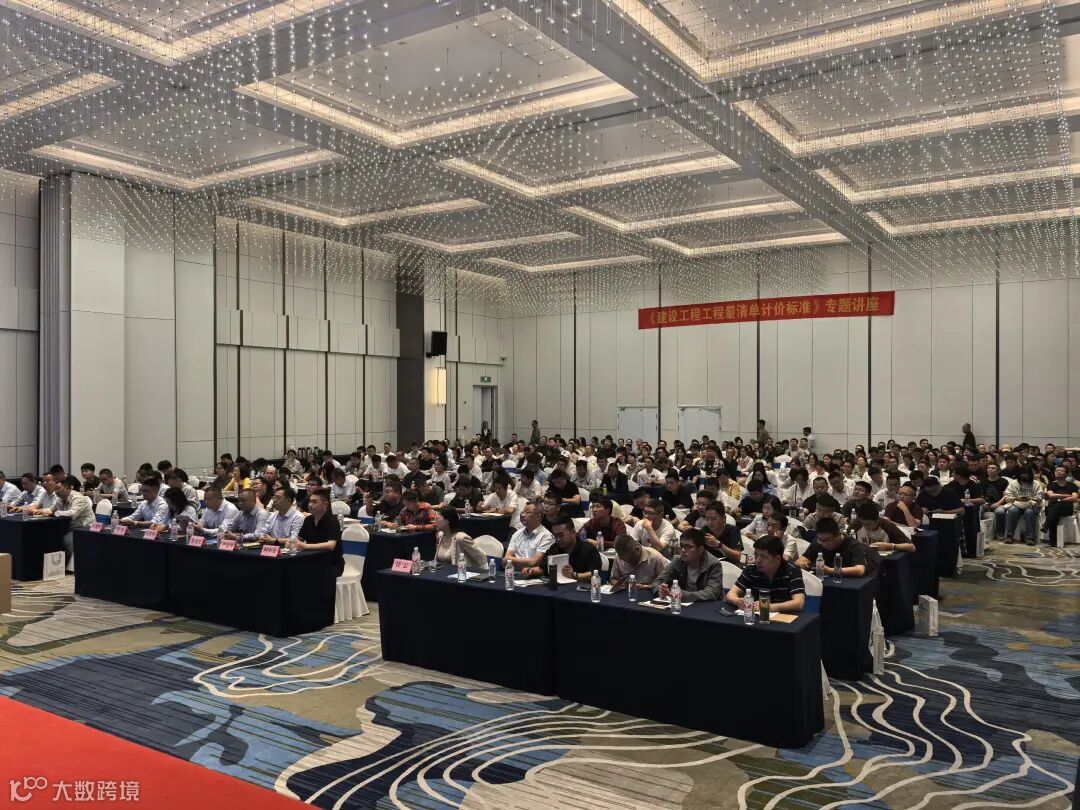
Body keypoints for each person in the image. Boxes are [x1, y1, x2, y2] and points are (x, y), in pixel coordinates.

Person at [726, 536, 805, 614]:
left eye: (763, 557)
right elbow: (730, 594)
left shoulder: (792, 571)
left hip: (786, 618)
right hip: (757, 617)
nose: (758, 560)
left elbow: (799, 603)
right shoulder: (751, 570)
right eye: (756, 555)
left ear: (777, 558)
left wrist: (767, 606)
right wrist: (737, 601)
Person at [653, 528, 726, 603]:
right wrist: (661, 591)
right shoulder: (678, 560)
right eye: (681, 545)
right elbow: (658, 581)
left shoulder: (713, 564)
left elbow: (712, 592)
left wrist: (682, 595)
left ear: (700, 549)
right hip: (683, 605)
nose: (683, 550)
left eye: (688, 547)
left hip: (707, 606)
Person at [524, 514, 601, 583]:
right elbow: (544, 569)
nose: (557, 539)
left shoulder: (588, 549)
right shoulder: (554, 548)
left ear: (573, 532)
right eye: (555, 535)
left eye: (561, 535)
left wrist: (575, 575)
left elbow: (595, 574)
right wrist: (532, 571)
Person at [42, 476, 94, 567]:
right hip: (69, 525)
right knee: (50, 535)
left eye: (58, 489)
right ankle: (56, 565)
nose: (55, 492)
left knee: (67, 539)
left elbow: (72, 514)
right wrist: (39, 511)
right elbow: (51, 509)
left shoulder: (78, 498)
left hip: (84, 526)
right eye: (55, 489)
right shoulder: (60, 498)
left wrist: (55, 513)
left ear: (66, 487)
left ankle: (78, 564)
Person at [796, 517, 867, 577]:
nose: (824, 544)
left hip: (847, 582)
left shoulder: (853, 544)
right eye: (820, 540)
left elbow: (860, 570)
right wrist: (802, 564)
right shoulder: (818, 542)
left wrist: (830, 570)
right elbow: (798, 561)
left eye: (828, 540)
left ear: (838, 534)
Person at [297, 488, 344, 575]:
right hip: (311, 559)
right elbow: (299, 539)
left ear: (325, 505)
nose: (310, 505)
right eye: (310, 502)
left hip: (331, 562)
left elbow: (330, 545)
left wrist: (305, 546)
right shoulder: (308, 519)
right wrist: (292, 542)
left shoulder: (333, 521)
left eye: (314, 502)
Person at [504, 502, 555, 569]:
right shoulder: (518, 533)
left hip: (532, 573)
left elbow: (534, 562)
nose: (522, 515)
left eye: (527, 512)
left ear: (538, 516)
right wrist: (526, 562)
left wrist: (512, 561)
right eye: (522, 512)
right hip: (514, 571)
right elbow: (506, 558)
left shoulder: (546, 536)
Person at [1002, 469, 1045, 545]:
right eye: (1022, 474)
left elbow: (1040, 498)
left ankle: (1030, 538)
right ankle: (1009, 536)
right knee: (1012, 510)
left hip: (1031, 504)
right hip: (1017, 503)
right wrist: (1016, 498)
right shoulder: (1013, 483)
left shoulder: (1036, 484)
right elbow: (1007, 496)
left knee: (1029, 512)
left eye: (1026, 474)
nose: (1024, 476)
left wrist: (1030, 498)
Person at [1044, 465, 1079, 545]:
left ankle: (1046, 526)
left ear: (1066, 474)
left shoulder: (1072, 485)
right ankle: (1053, 541)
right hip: (1053, 508)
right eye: (1057, 470)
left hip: (1066, 509)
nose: (1058, 472)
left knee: (1055, 507)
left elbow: (1074, 498)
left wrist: (1059, 499)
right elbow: (1051, 495)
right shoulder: (1051, 484)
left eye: (1061, 470)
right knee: (1054, 512)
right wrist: (1067, 495)